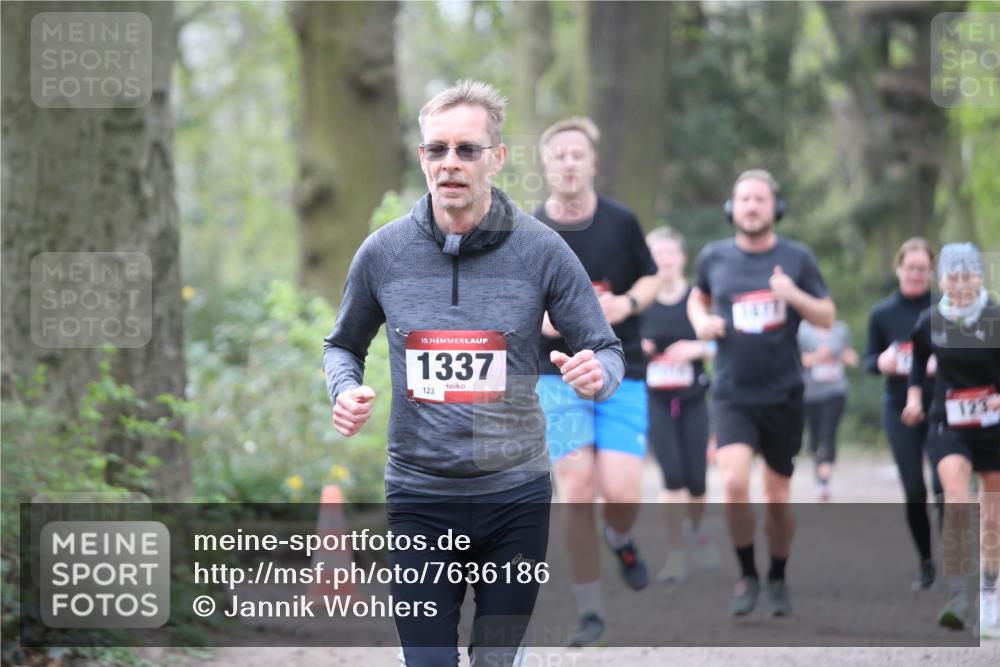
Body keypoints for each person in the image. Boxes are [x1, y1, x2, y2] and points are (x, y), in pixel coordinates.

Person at [323, 81, 625, 667]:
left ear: (498, 157)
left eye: (467, 149)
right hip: (419, 496)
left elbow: (605, 348)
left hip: (515, 497)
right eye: (437, 150)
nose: (451, 163)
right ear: (422, 158)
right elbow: (342, 346)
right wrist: (345, 389)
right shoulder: (383, 253)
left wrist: (597, 374)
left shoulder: (542, 251)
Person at [533, 116, 661, 647]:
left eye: (577, 154)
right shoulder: (529, 230)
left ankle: (621, 536)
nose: (568, 162)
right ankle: (589, 610)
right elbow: (519, 305)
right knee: (577, 489)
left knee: (621, 493)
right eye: (558, 154)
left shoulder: (622, 222)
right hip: (556, 373)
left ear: (592, 163)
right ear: (545, 164)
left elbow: (653, 278)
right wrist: (554, 320)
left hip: (621, 369)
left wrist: (626, 303)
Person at [688, 169, 835, 618]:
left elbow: (827, 316)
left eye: (760, 199)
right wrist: (701, 322)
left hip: (784, 394)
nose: (752, 206)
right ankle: (747, 576)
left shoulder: (797, 258)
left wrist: (792, 294)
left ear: (775, 207)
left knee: (776, 498)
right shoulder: (714, 256)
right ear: (733, 207)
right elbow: (698, 298)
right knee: (733, 484)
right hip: (733, 392)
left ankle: (777, 578)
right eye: (744, 199)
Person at [902, 242, 1000, 636]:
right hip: (948, 424)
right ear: (940, 280)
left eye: (966, 276)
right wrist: (913, 398)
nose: (958, 285)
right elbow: (915, 365)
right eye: (950, 277)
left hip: (993, 424)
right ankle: (960, 595)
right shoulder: (929, 320)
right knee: (956, 497)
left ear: (979, 278)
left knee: (992, 514)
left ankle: (990, 592)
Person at [639, 226, 720, 583]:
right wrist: (638, 348)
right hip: (655, 398)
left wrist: (697, 349)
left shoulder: (697, 300)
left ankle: (694, 532)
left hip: (693, 397)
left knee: (697, 480)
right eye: (658, 254)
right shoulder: (641, 303)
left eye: (671, 253)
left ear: (682, 258)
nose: (665, 260)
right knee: (671, 476)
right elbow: (619, 343)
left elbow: (721, 340)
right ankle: (675, 554)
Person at [863, 237, 942, 589]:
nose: (915, 274)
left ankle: (954, 558)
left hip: (942, 406)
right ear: (898, 268)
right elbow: (868, 361)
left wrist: (943, 363)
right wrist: (881, 362)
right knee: (914, 489)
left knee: (945, 487)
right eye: (909, 267)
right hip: (899, 407)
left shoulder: (947, 309)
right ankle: (926, 562)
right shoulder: (882, 314)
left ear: (932, 272)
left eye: (922, 269)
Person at [797, 319, 859, 501]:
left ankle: (824, 480)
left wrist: (843, 356)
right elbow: (795, 359)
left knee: (828, 433)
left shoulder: (840, 329)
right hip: (809, 393)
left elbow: (851, 356)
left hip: (835, 391)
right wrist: (817, 356)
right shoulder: (802, 331)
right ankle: (819, 475)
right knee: (815, 437)